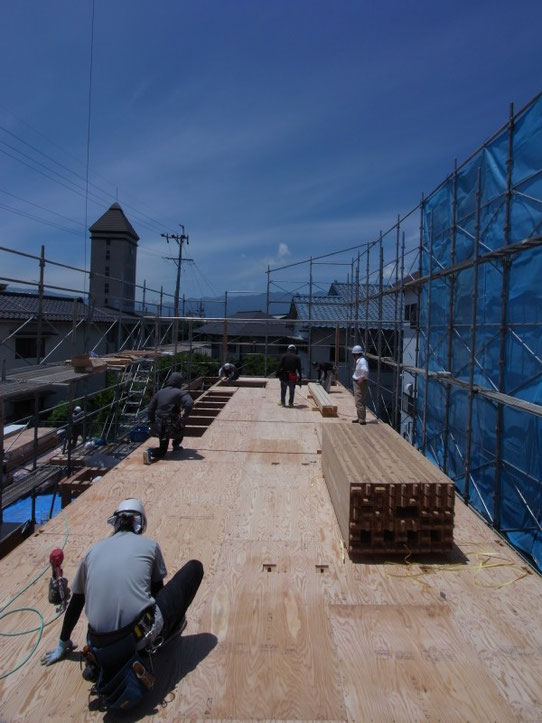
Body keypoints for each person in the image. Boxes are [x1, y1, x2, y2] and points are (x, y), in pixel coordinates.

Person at [40, 499, 203, 705]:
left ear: (115, 523)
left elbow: (76, 602)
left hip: (97, 643)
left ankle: (106, 663)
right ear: (141, 524)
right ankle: (151, 647)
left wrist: (63, 643)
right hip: (137, 638)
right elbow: (157, 594)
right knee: (194, 568)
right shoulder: (149, 546)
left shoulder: (92, 551)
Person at [143, 372, 193, 464]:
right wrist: (184, 417)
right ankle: (176, 445)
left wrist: (153, 422)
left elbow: (150, 409)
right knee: (181, 424)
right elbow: (189, 403)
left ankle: (150, 452)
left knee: (162, 451)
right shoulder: (180, 392)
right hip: (171, 425)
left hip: (159, 426)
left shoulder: (159, 392)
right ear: (179, 383)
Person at [351, 345, 369, 424]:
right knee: (358, 401)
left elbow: (366, 370)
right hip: (358, 382)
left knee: (359, 401)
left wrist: (361, 379)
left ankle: (362, 419)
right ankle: (359, 418)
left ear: (355, 354)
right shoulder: (361, 360)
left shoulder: (362, 361)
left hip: (359, 383)